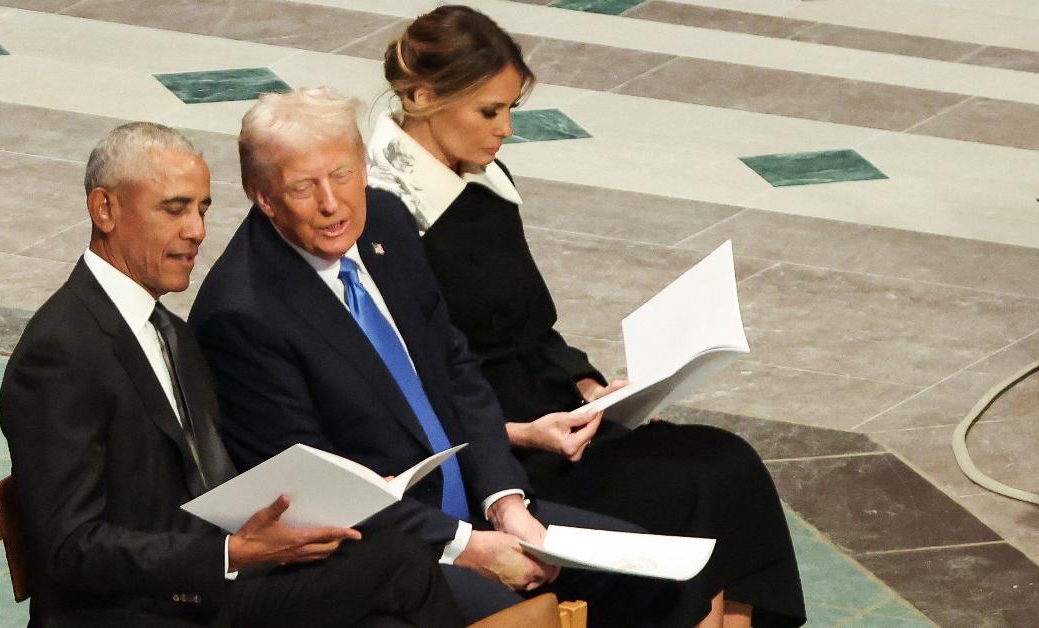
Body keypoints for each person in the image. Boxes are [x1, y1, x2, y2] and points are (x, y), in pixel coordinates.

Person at [190, 88, 703, 626]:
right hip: (389, 546)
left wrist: (508, 506)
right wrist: (467, 546)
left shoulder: (385, 221)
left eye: (342, 174)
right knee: (523, 617)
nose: (331, 202)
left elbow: (457, 371)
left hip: (478, 509)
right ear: (263, 197)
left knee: (661, 574)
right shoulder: (242, 315)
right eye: (302, 187)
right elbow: (318, 493)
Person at [364, 6, 806, 628]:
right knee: (690, 493)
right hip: (501, 454)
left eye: (510, 108)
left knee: (729, 463)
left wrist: (590, 386)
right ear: (422, 95)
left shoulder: (486, 179)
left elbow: (529, 323)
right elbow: (414, 382)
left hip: (559, 419)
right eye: (489, 111)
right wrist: (521, 432)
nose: (506, 130)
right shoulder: (384, 214)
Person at [0, 122, 463, 628]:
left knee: (393, 565)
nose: (196, 230)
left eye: (202, 210)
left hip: (208, 589)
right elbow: (71, 548)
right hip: (133, 611)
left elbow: (207, 479)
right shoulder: (59, 352)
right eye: (174, 209)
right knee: (397, 565)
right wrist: (230, 553)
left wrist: (337, 496)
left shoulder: (170, 329)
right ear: (105, 209)